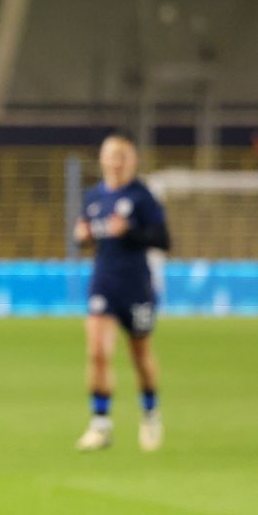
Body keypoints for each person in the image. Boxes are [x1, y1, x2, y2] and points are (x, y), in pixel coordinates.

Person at [72, 134, 169, 452]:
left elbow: (163, 240)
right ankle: (100, 424)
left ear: (132, 160)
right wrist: (82, 237)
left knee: (140, 356)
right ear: (101, 159)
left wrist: (130, 232)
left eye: (122, 156)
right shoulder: (93, 197)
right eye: (111, 155)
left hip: (136, 285)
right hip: (104, 282)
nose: (116, 162)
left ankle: (150, 413)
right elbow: (85, 234)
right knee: (97, 351)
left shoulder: (142, 197)